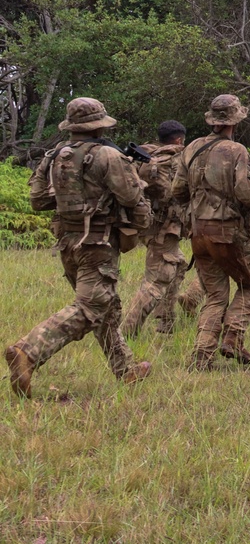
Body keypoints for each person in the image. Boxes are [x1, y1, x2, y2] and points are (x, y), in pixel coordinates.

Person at [4, 97, 153, 397]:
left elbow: (37, 201)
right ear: (99, 127)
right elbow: (130, 197)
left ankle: (125, 369)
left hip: (68, 242)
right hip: (97, 243)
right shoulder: (108, 155)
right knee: (91, 307)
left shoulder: (53, 156)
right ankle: (28, 351)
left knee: (105, 308)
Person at [172, 94, 250, 370]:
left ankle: (202, 357)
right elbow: (246, 192)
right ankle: (233, 338)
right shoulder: (236, 151)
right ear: (235, 121)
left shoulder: (191, 148)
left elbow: (177, 190)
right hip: (227, 233)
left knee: (215, 296)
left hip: (198, 233)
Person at [121, 120, 190, 337]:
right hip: (164, 227)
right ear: (179, 139)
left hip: (147, 222)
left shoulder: (146, 155)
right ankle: (127, 331)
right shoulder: (176, 158)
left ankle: (166, 320)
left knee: (179, 265)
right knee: (157, 279)